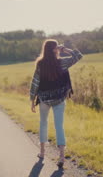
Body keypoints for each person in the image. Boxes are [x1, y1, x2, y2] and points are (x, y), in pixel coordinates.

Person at [29, 39, 83, 168]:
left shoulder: (40, 64)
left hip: (44, 99)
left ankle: (42, 153)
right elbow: (78, 56)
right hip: (59, 99)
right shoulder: (61, 63)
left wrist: (32, 100)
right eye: (57, 47)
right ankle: (62, 157)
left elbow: (35, 82)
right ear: (56, 49)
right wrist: (65, 50)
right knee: (59, 126)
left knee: (43, 123)